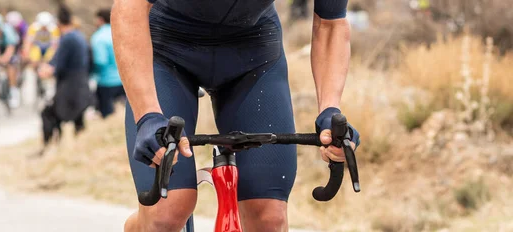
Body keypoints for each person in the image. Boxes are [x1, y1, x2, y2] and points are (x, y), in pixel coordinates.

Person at [111, 0, 361, 231]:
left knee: (269, 218)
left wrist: (330, 109)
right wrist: (147, 114)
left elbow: (330, 23)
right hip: (166, 49)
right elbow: (129, 7)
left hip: (253, 53)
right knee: (166, 214)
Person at [37, 5, 92, 155]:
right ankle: (74, 149)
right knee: (77, 120)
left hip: (70, 89)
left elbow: (58, 64)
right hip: (81, 86)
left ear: (59, 23)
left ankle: (49, 147)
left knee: (48, 114)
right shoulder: (78, 36)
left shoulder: (68, 39)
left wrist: (46, 71)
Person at [90, 9, 124, 118]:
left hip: (106, 82)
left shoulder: (98, 37)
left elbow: (100, 61)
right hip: (123, 80)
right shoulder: (121, 32)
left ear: (100, 20)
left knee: (108, 115)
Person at [0, 14, 21, 108]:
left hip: (11, 48)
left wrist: (3, 59)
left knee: (11, 66)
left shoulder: (8, 31)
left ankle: (13, 91)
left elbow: (10, 49)